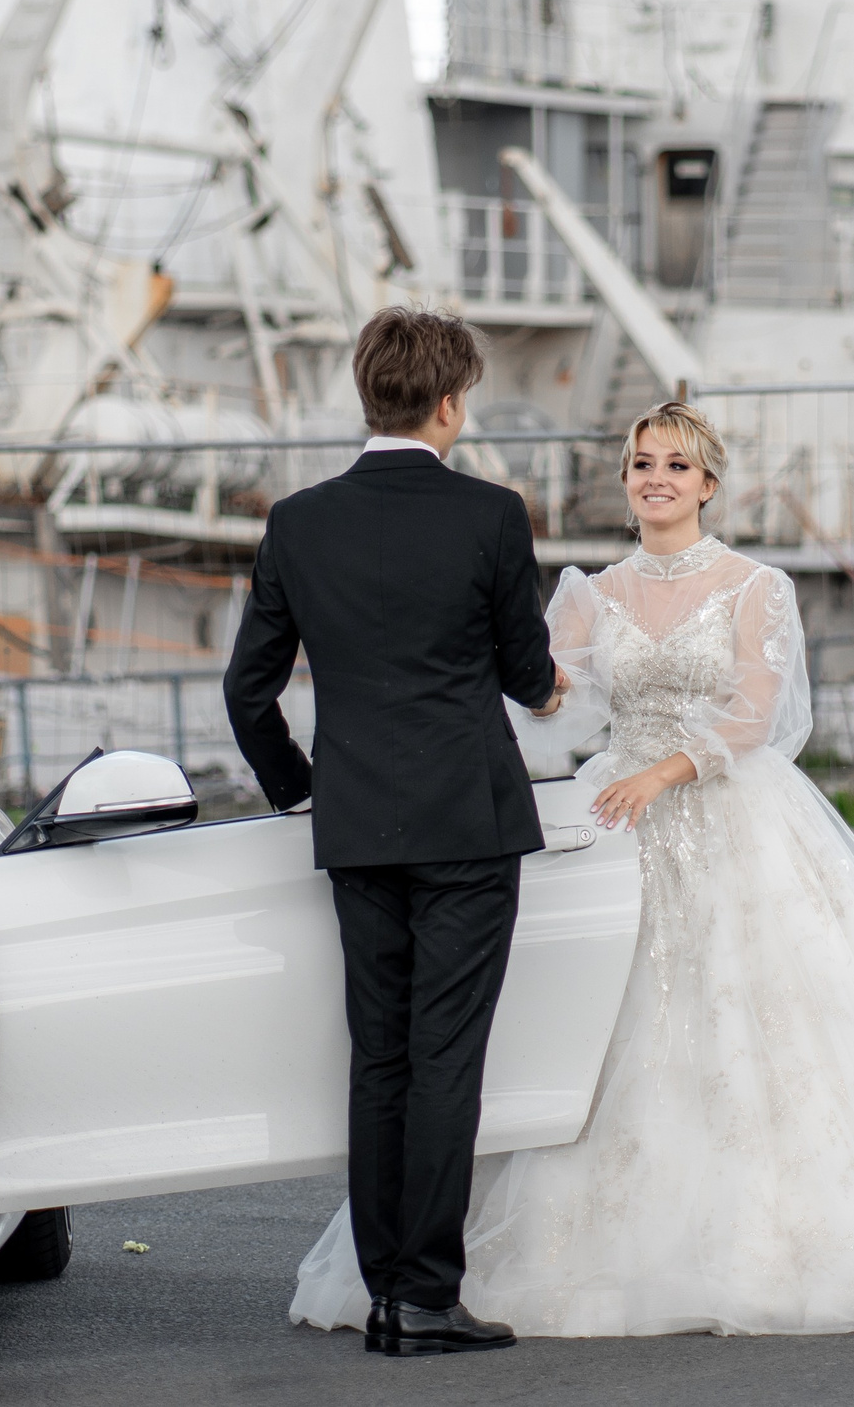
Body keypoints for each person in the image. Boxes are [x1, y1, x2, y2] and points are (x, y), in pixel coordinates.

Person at [290, 401, 854, 1339]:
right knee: (601, 1025)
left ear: (709, 483)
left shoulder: (757, 586)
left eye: (676, 465)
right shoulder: (590, 592)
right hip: (618, 813)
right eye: (641, 464)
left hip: (725, 810)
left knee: (768, 1019)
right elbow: (545, 695)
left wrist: (664, 771)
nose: (656, 478)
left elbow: (759, 715)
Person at [224, 306, 565, 1358]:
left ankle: (383, 1292)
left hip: (358, 821)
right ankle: (425, 1297)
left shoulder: (299, 521)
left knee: (379, 1059)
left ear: (365, 395)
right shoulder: (490, 514)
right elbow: (523, 672)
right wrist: (554, 691)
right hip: (468, 817)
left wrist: (303, 790)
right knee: (444, 1058)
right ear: (452, 403)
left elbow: (247, 693)